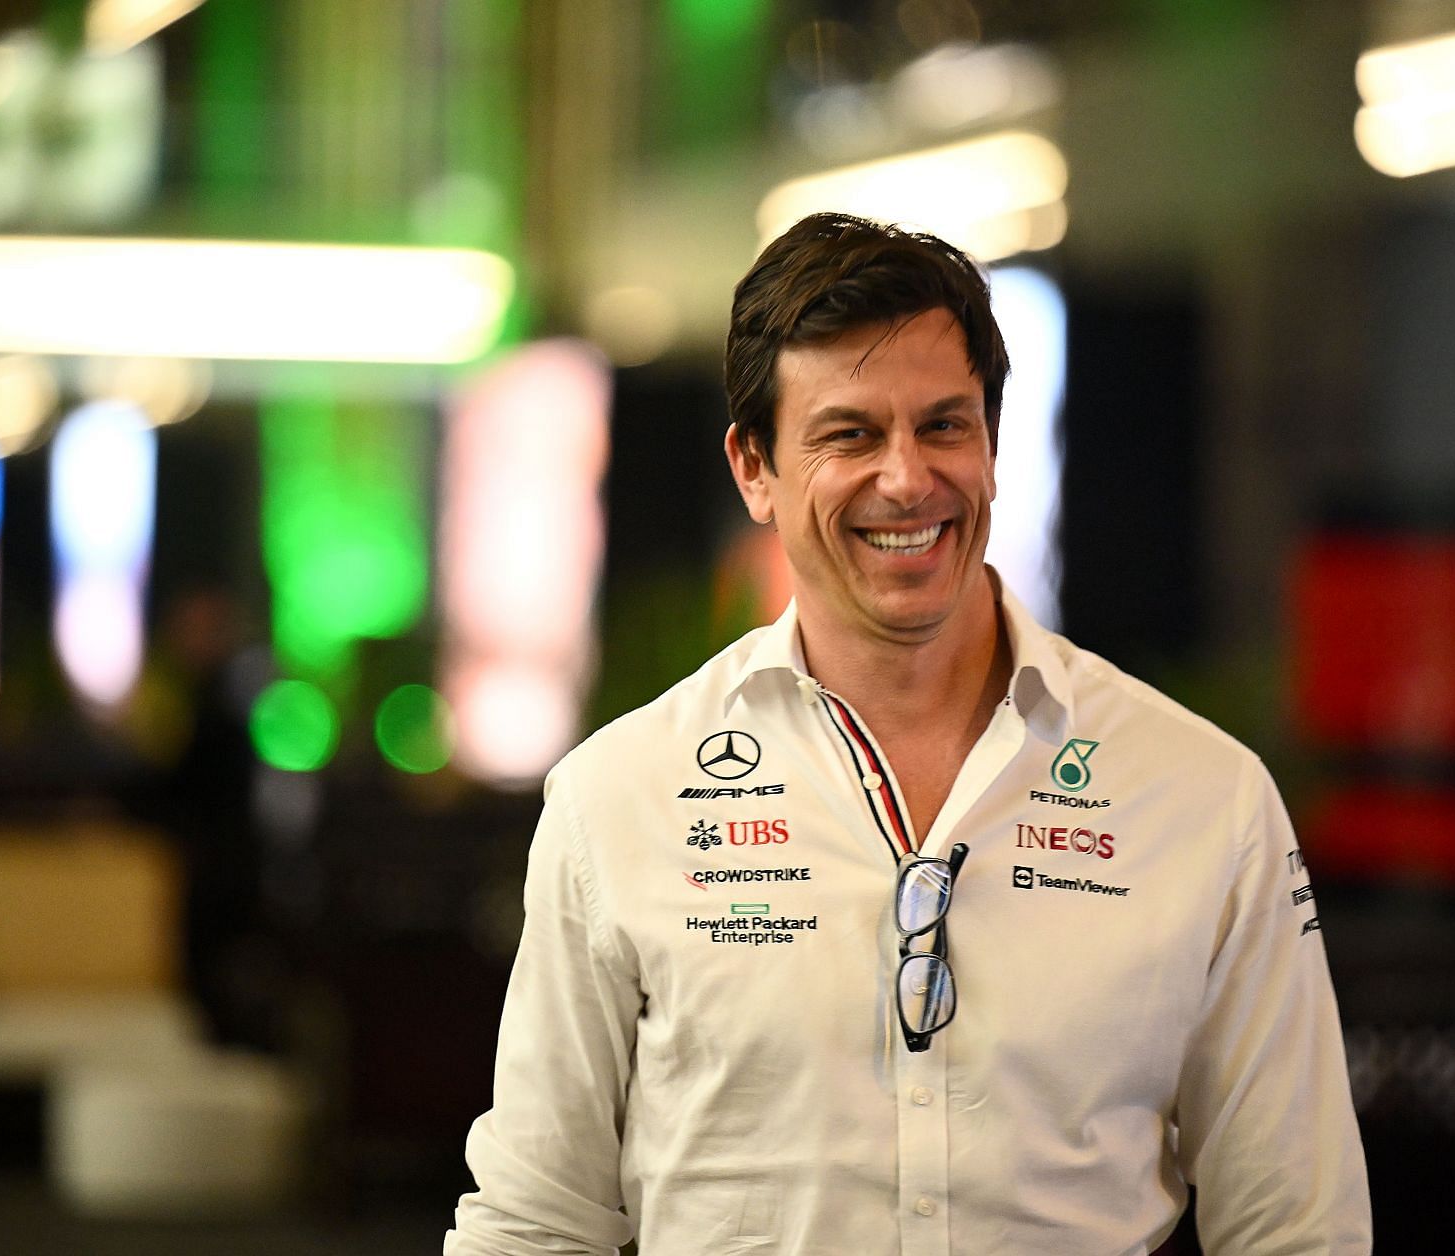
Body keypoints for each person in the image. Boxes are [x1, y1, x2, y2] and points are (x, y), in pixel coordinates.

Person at [447, 212, 1371, 1254]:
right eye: (850, 433)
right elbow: (535, 1216)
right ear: (755, 467)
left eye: (944, 426)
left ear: (991, 445)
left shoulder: (1203, 793)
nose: (906, 478)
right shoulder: (618, 797)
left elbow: (1298, 1222)